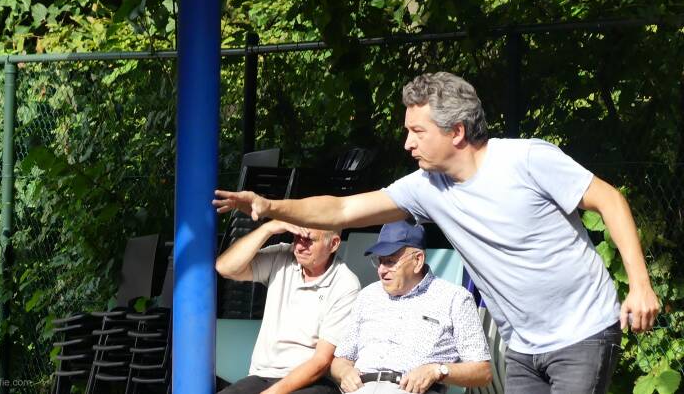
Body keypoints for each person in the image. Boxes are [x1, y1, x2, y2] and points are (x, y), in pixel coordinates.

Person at [213, 72, 659, 394]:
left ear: (457, 132)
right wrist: (272, 206)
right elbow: (344, 209)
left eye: (417, 131)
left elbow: (610, 200)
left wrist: (639, 286)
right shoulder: (426, 187)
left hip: (582, 330)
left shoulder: (526, 160)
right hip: (523, 345)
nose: (407, 143)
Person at [330, 220, 492, 394]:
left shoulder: (454, 298)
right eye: (379, 261)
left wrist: (437, 370)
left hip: (411, 389)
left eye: (390, 261)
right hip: (361, 388)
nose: (381, 270)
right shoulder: (367, 295)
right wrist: (345, 372)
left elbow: (483, 372)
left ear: (417, 260)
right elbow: (340, 360)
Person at [215, 219, 361, 394]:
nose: (299, 246)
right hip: (262, 376)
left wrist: (273, 393)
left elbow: (322, 362)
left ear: (333, 244)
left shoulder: (345, 284)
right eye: (297, 237)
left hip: (313, 382)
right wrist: (268, 228)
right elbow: (225, 268)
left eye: (309, 240)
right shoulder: (282, 256)